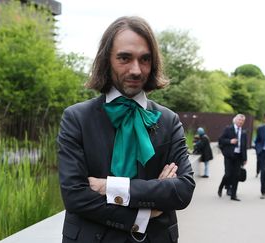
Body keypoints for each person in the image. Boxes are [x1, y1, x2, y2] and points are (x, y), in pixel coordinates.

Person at [57, 16, 195, 243]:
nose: (136, 70)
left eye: (145, 59)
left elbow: (182, 190)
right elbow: (75, 197)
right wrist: (144, 214)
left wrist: (109, 186)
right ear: (106, 60)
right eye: (124, 58)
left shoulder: (169, 120)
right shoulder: (76, 118)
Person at [217, 114, 247, 201]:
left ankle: (233, 195)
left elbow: (244, 146)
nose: (241, 122)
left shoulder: (244, 132)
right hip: (229, 156)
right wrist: (230, 141)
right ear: (235, 120)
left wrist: (245, 158)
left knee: (236, 175)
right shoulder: (228, 129)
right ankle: (221, 186)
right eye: (239, 120)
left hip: (238, 156)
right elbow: (221, 140)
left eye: (242, 121)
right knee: (228, 174)